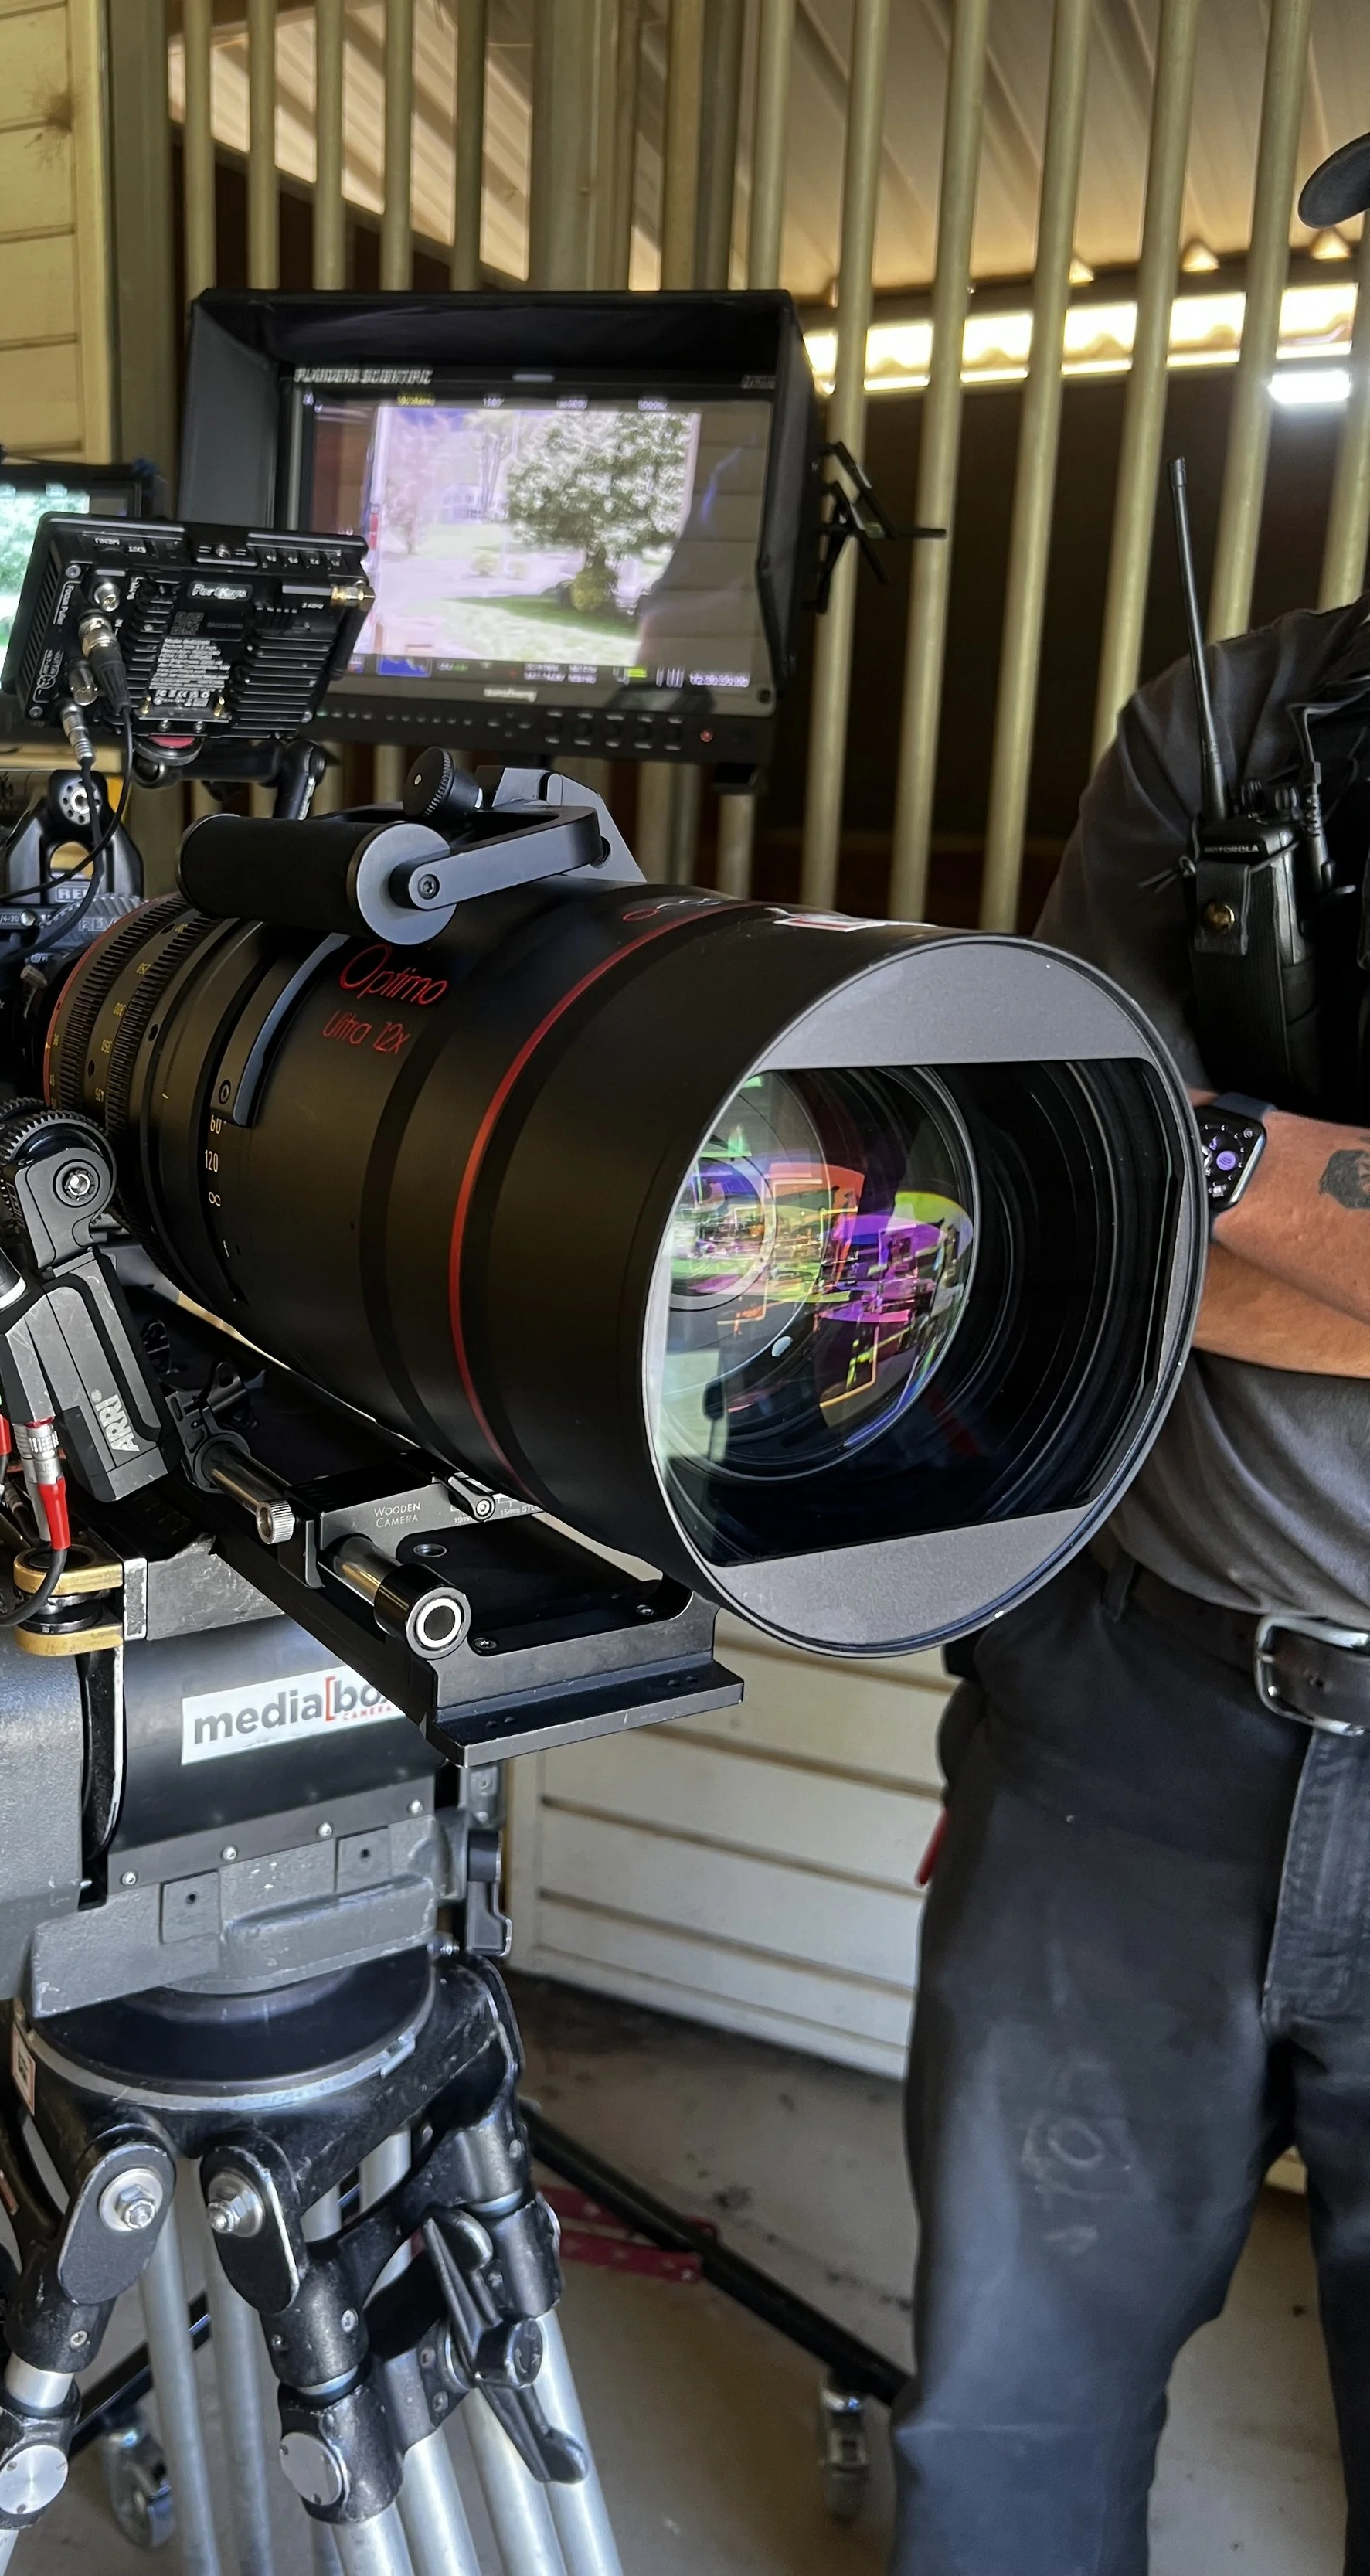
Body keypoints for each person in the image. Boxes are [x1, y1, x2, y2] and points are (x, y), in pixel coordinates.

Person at [889, 132, 1370, 2575]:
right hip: (1130, 1722)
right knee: (1001, 2420)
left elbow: (1177, 1176)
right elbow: (1082, 1196)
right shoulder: (1231, 722)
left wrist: (1238, 1176)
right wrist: (1207, 1183)